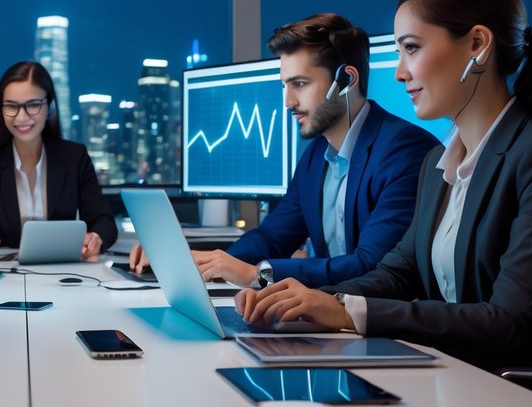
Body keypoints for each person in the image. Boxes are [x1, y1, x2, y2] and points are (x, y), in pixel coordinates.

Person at [238, 0, 532, 371]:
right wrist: (316, 301)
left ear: (477, 44)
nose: (398, 72)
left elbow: (511, 323)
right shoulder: (440, 163)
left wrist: (347, 313)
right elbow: (399, 272)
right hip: (462, 380)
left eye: (411, 48)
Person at [131, 14, 438, 287]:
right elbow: (272, 238)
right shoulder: (317, 155)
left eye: (300, 84)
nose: (288, 102)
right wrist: (210, 262)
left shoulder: (404, 151)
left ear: (346, 80)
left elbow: (371, 266)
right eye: (284, 86)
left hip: (384, 331)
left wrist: (258, 274)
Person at [0, 61, 117, 258]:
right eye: (11, 106)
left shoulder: (74, 157)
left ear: (49, 105)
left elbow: (105, 222)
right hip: (3, 274)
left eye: (32, 105)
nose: (21, 117)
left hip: (63, 273)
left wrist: (95, 237)